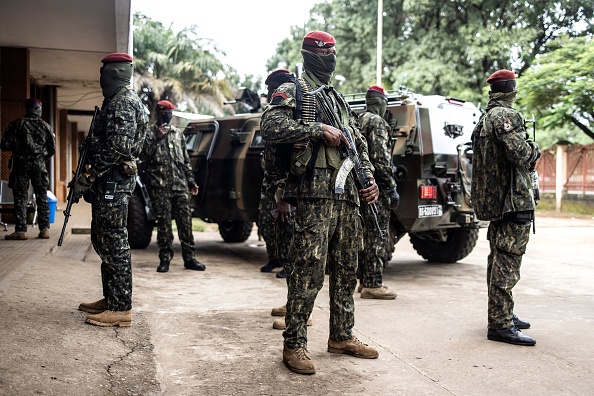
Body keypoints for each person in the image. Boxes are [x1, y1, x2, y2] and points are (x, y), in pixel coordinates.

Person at [261, 30, 380, 375]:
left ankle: (341, 335)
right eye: (325, 52)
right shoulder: (296, 91)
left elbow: (358, 146)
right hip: (314, 194)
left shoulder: (338, 100)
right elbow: (270, 123)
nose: (330, 58)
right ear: (311, 54)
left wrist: (369, 180)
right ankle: (294, 344)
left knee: (346, 267)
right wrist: (315, 131)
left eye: (333, 52)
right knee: (309, 269)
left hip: (347, 196)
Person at [76, 52, 148, 327]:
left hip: (113, 183)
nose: (100, 76)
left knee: (115, 243)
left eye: (104, 71)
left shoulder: (122, 103)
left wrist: (88, 177)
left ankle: (120, 309)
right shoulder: (116, 101)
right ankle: (112, 297)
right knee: (104, 240)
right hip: (109, 182)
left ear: (114, 73)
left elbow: (118, 148)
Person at [471, 69, 540, 346]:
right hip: (513, 201)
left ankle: (502, 313)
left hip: (498, 203)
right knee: (508, 261)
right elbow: (521, 154)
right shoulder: (506, 115)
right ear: (512, 88)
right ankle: (500, 324)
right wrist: (534, 147)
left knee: (498, 259)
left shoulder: (485, 118)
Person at [139, 100, 205, 273]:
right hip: (160, 188)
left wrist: (191, 181)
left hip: (180, 186)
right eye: (163, 113)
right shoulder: (148, 134)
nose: (166, 115)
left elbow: (185, 161)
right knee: (164, 225)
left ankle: (190, 258)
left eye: (168, 113)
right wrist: (157, 139)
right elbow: (143, 159)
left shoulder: (178, 134)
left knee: (186, 224)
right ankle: (165, 259)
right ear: (157, 114)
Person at [357, 85, 399, 299]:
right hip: (376, 189)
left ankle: (363, 280)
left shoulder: (357, 120)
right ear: (381, 102)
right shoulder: (377, 122)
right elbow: (381, 159)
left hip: (357, 188)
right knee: (377, 235)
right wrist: (391, 188)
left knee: (364, 234)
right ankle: (372, 284)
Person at [1, 98, 55, 240]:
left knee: (21, 197)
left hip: (21, 164)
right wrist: (40, 158)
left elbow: (4, 144)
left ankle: (21, 230)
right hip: (39, 165)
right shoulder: (46, 126)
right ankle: (44, 230)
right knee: (42, 197)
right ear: (39, 109)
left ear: (27, 108)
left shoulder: (17, 124)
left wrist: (18, 148)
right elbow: (52, 149)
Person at [259, 68, 293, 278]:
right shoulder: (276, 112)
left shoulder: (288, 113)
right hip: (271, 182)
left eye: (272, 89)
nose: (271, 94)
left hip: (287, 183)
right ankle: (275, 259)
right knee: (269, 222)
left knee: (287, 225)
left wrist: (284, 190)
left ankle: (288, 266)